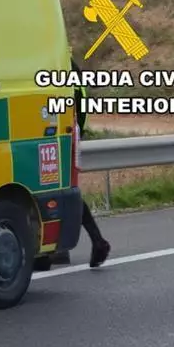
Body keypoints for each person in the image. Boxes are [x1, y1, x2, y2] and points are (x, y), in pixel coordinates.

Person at [51, 61, 111, 267]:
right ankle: (60, 248)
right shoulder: (65, 65)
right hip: (65, 136)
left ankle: (93, 242)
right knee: (61, 191)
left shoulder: (62, 66)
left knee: (63, 192)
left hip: (60, 137)